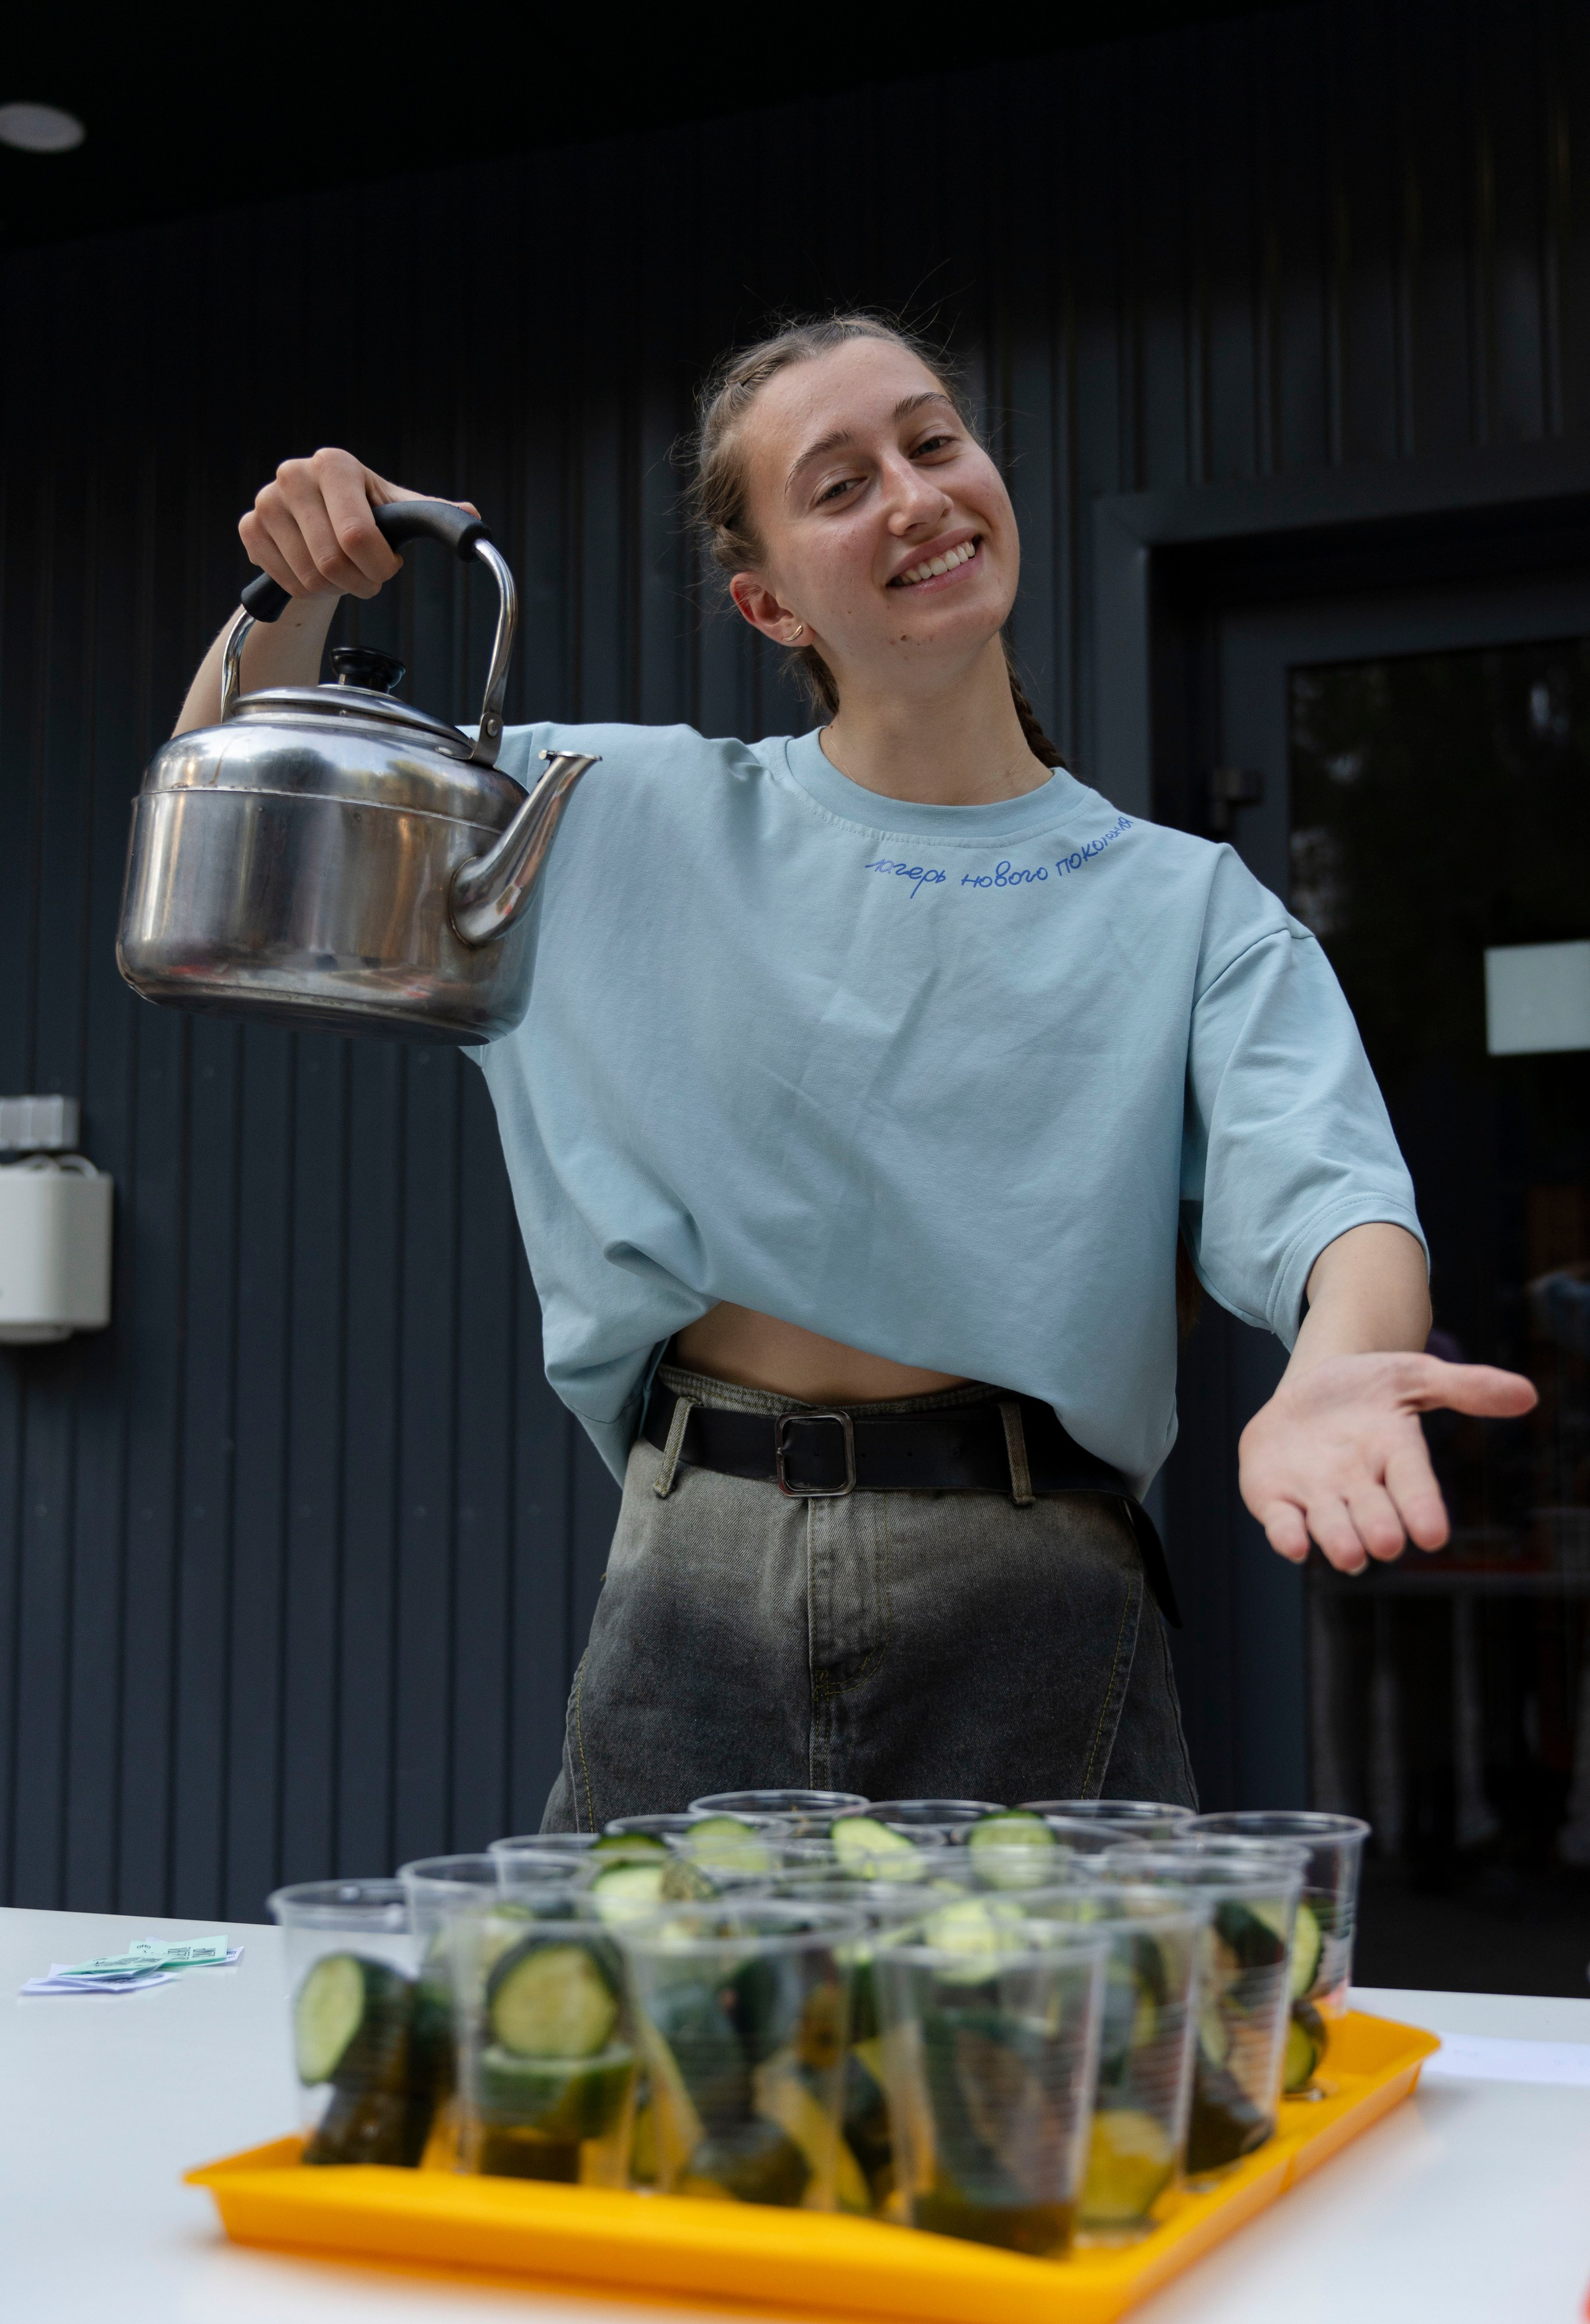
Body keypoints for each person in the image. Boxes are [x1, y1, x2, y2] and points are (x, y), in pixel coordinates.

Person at [176, 311, 1536, 1827]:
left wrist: (1340, 1364)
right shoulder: (593, 810)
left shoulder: (1185, 905)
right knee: (657, 2060)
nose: (911, 496)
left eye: (932, 440)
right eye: (836, 484)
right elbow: (250, 819)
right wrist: (286, 594)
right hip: (692, 1576)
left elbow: (1335, 1200)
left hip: (1029, 1594)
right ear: (767, 605)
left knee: (1045, 2064)